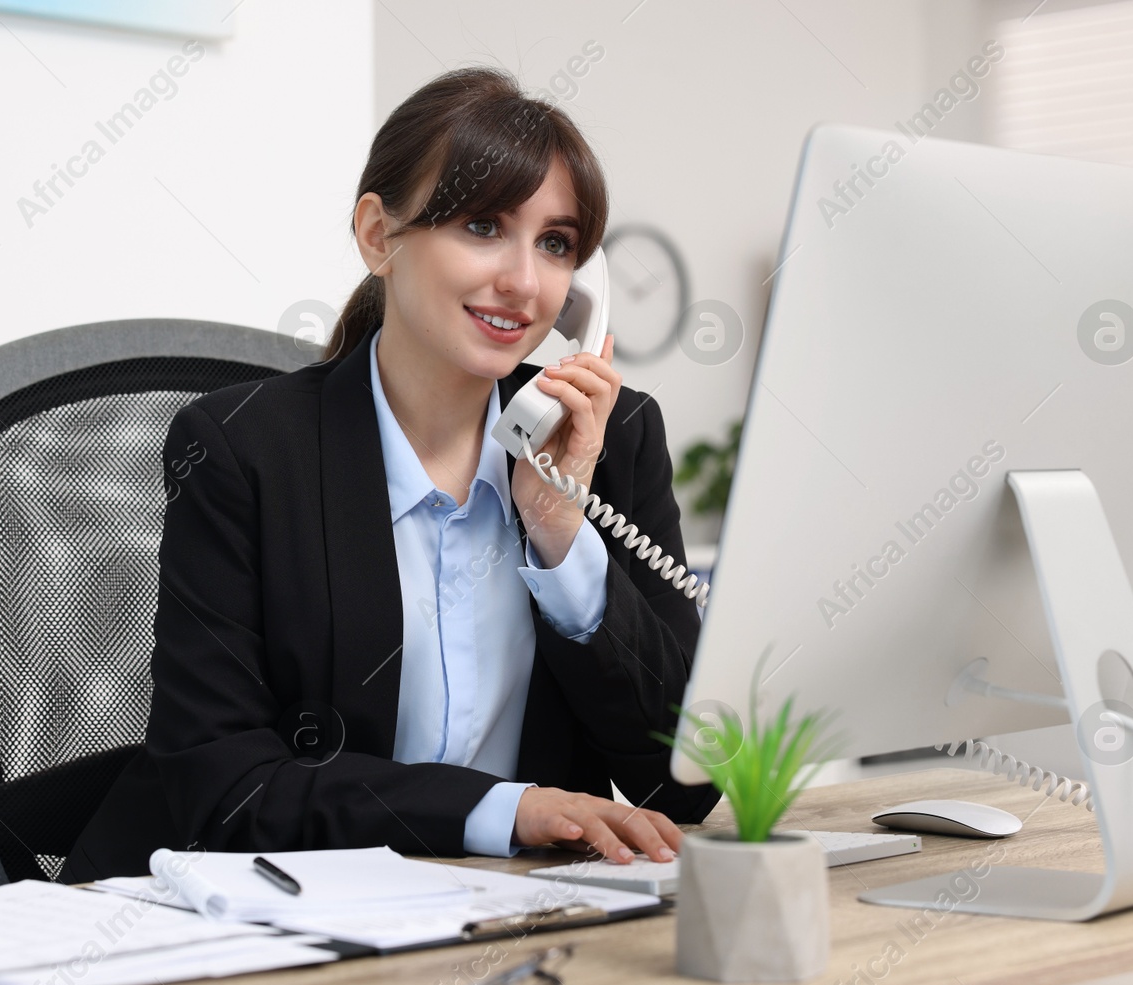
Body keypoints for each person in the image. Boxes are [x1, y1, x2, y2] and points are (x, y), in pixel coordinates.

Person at [61, 67, 718, 882]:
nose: (523, 281)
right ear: (379, 235)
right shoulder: (246, 452)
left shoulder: (607, 439)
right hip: (262, 922)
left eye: (556, 243)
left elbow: (686, 781)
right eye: (483, 226)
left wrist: (562, 534)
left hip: (507, 923)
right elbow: (223, 784)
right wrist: (500, 810)